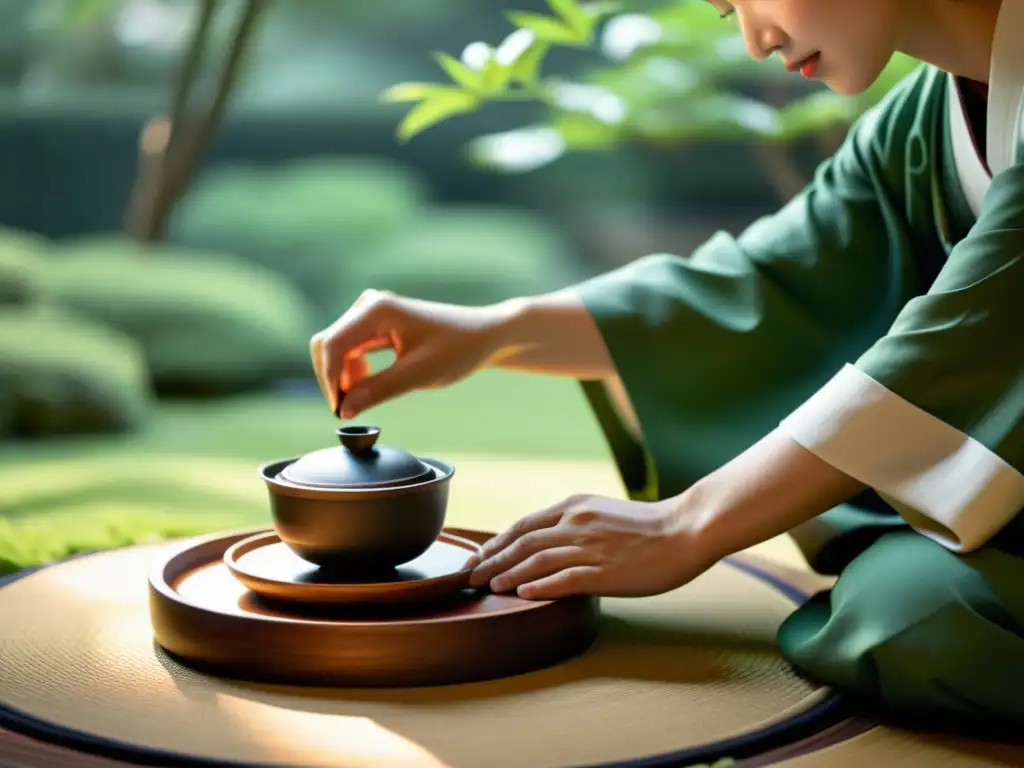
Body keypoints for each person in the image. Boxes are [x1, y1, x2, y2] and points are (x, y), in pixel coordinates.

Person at [311, 0, 1024, 724]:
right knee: (902, 599)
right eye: (726, 12)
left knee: (910, 616)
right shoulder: (919, 119)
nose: (754, 40)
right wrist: (495, 331)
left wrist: (685, 525)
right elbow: (764, 291)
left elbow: (957, 349)